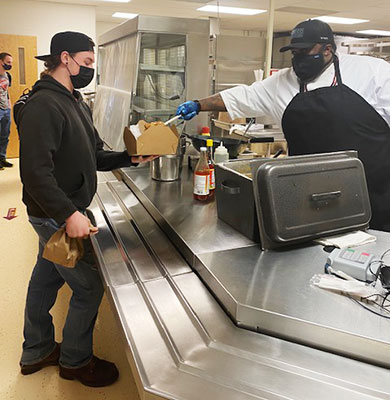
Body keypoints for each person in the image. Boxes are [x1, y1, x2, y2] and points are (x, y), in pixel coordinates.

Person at [15, 31, 156, 387]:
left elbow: (94, 153)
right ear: (65, 58)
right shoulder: (43, 105)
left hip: (60, 210)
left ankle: (36, 349)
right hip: (52, 214)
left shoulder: (75, 101)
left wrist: (129, 156)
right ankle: (75, 363)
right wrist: (69, 215)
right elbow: (34, 172)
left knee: (44, 278)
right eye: (88, 62)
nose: (90, 69)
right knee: (89, 287)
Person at [176, 19, 390, 232]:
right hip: (308, 196)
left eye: (304, 51)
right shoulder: (283, 81)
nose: (298, 59)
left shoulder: (373, 72)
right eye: (294, 52)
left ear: (327, 49)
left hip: (372, 195)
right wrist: (198, 104)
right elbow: (244, 96)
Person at [0, 52, 13, 169]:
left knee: (5, 135)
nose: (10, 65)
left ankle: (2, 158)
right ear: (1, 62)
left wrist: (9, 105)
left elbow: (6, 92)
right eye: (8, 62)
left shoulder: (7, 76)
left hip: (6, 109)